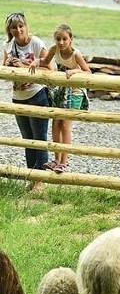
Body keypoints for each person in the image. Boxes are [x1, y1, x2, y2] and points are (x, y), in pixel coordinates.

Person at [29, 23, 91, 174]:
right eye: (58, 39)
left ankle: (64, 162)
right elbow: (45, 61)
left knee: (65, 125)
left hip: (74, 92)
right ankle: (56, 159)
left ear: (71, 39)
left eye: (64, 39)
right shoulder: (54, 49)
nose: (61, 42)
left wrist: (75, 71)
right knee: (56, 124)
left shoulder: (76, 54)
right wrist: (38, 61)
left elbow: (88, 71)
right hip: (60, 90)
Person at [3, 12, 53, 192]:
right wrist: (9, 65)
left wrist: (23, 67)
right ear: (9, 29)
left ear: (26, 26)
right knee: (27, 140)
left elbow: (50, 68)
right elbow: (4, 69)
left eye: (20, 26)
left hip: (37, 95)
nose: (18, 30)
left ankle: (41, 181)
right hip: (18, 97)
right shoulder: (7, 45)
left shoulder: (36, 43)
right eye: (13, 27)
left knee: (39, 139)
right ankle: (31, 177)